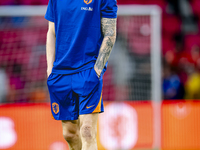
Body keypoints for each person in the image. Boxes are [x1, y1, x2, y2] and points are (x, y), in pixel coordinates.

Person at [45, 0, 117, 150]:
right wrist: (49, 70)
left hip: (88, 70)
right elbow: (51, 32)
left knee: (87, 131)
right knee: (69, 134)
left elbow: (110, 33)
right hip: (60, 73)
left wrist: (97, 70)